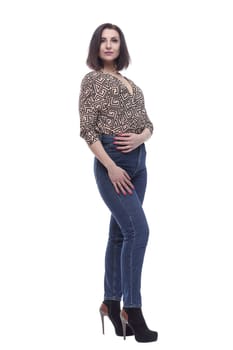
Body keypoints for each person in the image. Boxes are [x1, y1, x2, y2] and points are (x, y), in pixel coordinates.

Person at [79, 23, 158, 343]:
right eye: (103, 40)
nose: (109, 45)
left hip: (139, 164)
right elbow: (87, 130)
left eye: (114, 40)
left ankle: (111, 302)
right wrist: (110, 166)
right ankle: (133, 309)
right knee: (138, 231)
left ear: (121, 46)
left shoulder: (130, 83)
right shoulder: (92, 80)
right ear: (95, 47)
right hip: (113, 163)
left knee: (119, 235)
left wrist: (141, 136)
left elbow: (149, 124)